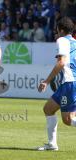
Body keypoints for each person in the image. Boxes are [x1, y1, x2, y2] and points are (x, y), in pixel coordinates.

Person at [37, 17, 76, 151]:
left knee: (68, 120)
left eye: (57, 30)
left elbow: (61, 62)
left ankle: (52, 144)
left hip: (70, 83)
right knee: (48, 109)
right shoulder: (74, 43)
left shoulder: (62, 40)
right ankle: (52, 144)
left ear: (61, 30)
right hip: (68, 83)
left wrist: (46, 81)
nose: (56, 33)